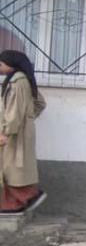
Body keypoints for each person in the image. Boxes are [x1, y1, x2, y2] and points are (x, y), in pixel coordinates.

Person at [0, 49, 46, 213]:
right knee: (11, 169)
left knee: (11, 169)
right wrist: (28, 118)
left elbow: (13, 112)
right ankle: (12, 204)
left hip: (14, 133)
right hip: (19, 130)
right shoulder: (24, 80)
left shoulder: (17, 83)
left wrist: (6, 132)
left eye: (1, 64)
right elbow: (40, 102)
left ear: (11, 65)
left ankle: (30, 196)